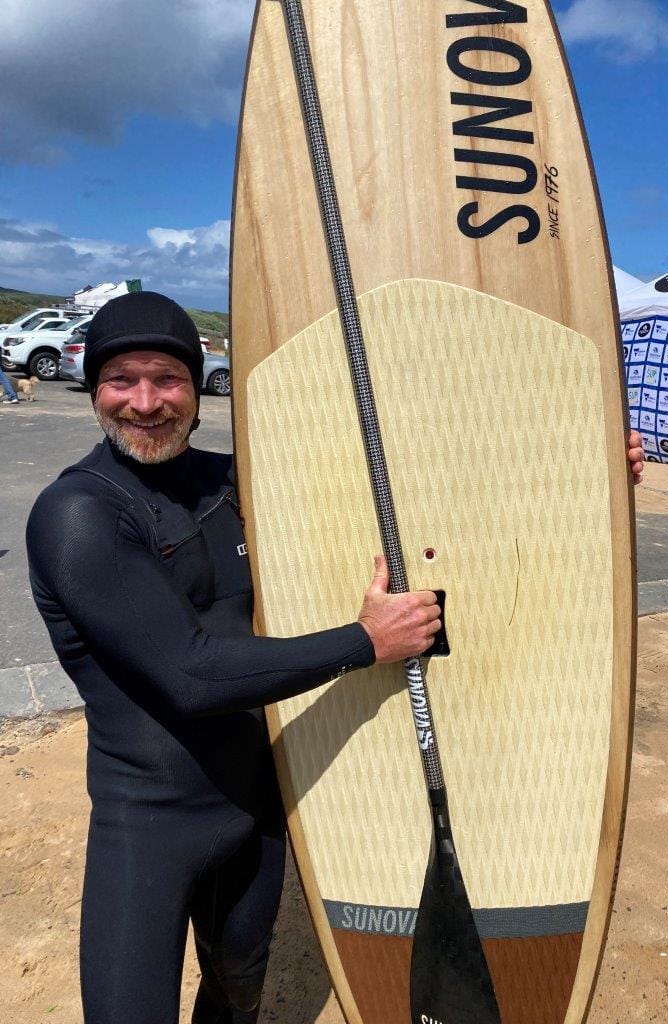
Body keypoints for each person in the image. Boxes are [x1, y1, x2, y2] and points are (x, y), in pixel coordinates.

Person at [26, 291, 441, 1024]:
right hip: (149, 824)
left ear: (198, 382)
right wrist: (365, 643)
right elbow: (189, 673)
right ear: (94, 388)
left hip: (256, 811)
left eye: (168, 379)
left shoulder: (236, 481)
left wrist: (592, 460)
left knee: (235, 1000)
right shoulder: (78, 515)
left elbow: (399, 484)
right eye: (123, 380)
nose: (147, 403)